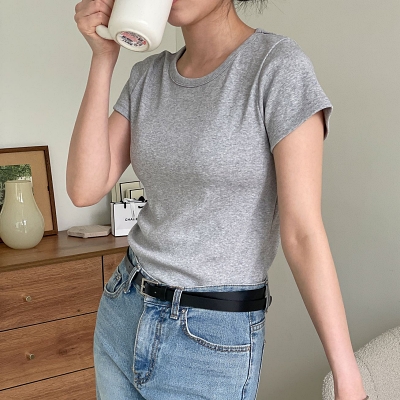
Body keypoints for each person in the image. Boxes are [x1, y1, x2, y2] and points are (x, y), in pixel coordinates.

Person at [67, 0, 369, 399]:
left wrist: (347, 376)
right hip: (125, 308)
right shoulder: (147, 76)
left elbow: (303, 234)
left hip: (211, 338)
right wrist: (103, 58)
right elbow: (84, 188)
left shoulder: (277, 67)